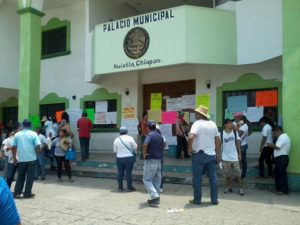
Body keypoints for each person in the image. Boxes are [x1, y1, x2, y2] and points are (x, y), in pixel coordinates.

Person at [188, 105, 221, 205]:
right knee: (213, 178)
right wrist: (217, 153)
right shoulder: (213, 124)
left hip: (199, 155)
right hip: (211, 155)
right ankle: (214, 200)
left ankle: (197, 200)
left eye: (196, 113)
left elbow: (190, 136)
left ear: (200, 114)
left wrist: (189, 149)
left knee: (197, 178)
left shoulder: (197, 124)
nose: (195, 114)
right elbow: (218, 140)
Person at [12, 119, 41, 199]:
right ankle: (27, 193)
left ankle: (17, 193)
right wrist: (37, 155)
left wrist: (14, 158)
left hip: (21, 159)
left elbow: (13, 147)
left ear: (22, 126)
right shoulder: (34, 134)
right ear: (30, 126)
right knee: (30, 177)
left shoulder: (17, 134)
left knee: (20, 176)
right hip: (32, 159)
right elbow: (37, 146)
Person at [143, 121, 164, 206]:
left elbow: (145, 144)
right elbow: (163, 146)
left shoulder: (149, 135)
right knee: (157, 180)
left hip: (151, 160)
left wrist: (144, 154)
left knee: (147, 179)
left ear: (148, 128)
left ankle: (154, 197)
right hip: (159, 160)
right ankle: (156, 198)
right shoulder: (160, 136)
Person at [221, 118, 244, 196]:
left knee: (238, 173)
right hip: (225, 157)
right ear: (225, 124)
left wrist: (239, 153)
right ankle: (229, 187)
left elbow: (238, 143)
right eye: (230, 123)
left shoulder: (235, 132)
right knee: (227, 174)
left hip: (234, 156)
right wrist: (219, 155)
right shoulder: (221, 133)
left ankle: (240, 188)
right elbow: (219, 144)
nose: (232, 124)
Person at [268, 126, 291, 195]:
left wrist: (271, 145)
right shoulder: (283, 137)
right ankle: (278, 189)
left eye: (274, 133)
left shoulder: (282, 137)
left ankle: (283, 190)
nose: (274, 135)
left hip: (282, 158)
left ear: (277, 131)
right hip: (281, 158)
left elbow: (277, 147)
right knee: (277, 174)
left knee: (281, 175)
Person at [113, 127, 137, 192]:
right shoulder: (130, 138)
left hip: (119, 158)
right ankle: (129, 188)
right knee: (128, 173)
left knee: (120, 173)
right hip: (129, 158)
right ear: (127, 132)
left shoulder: (116, 139)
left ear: (119, 132)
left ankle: (120, 188)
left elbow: (115, 150)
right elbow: (135, 147)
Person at [235, 114, 250, 179]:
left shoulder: (244, 126)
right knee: (243, 160)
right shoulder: (240, 125)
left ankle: (240, 175)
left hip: (242, 146)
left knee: (239, 161)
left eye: (238, 119)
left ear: (242, 120)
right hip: (240, 145)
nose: (237, 120)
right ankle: (242, 175)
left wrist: (237, 127)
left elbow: (239, 134)